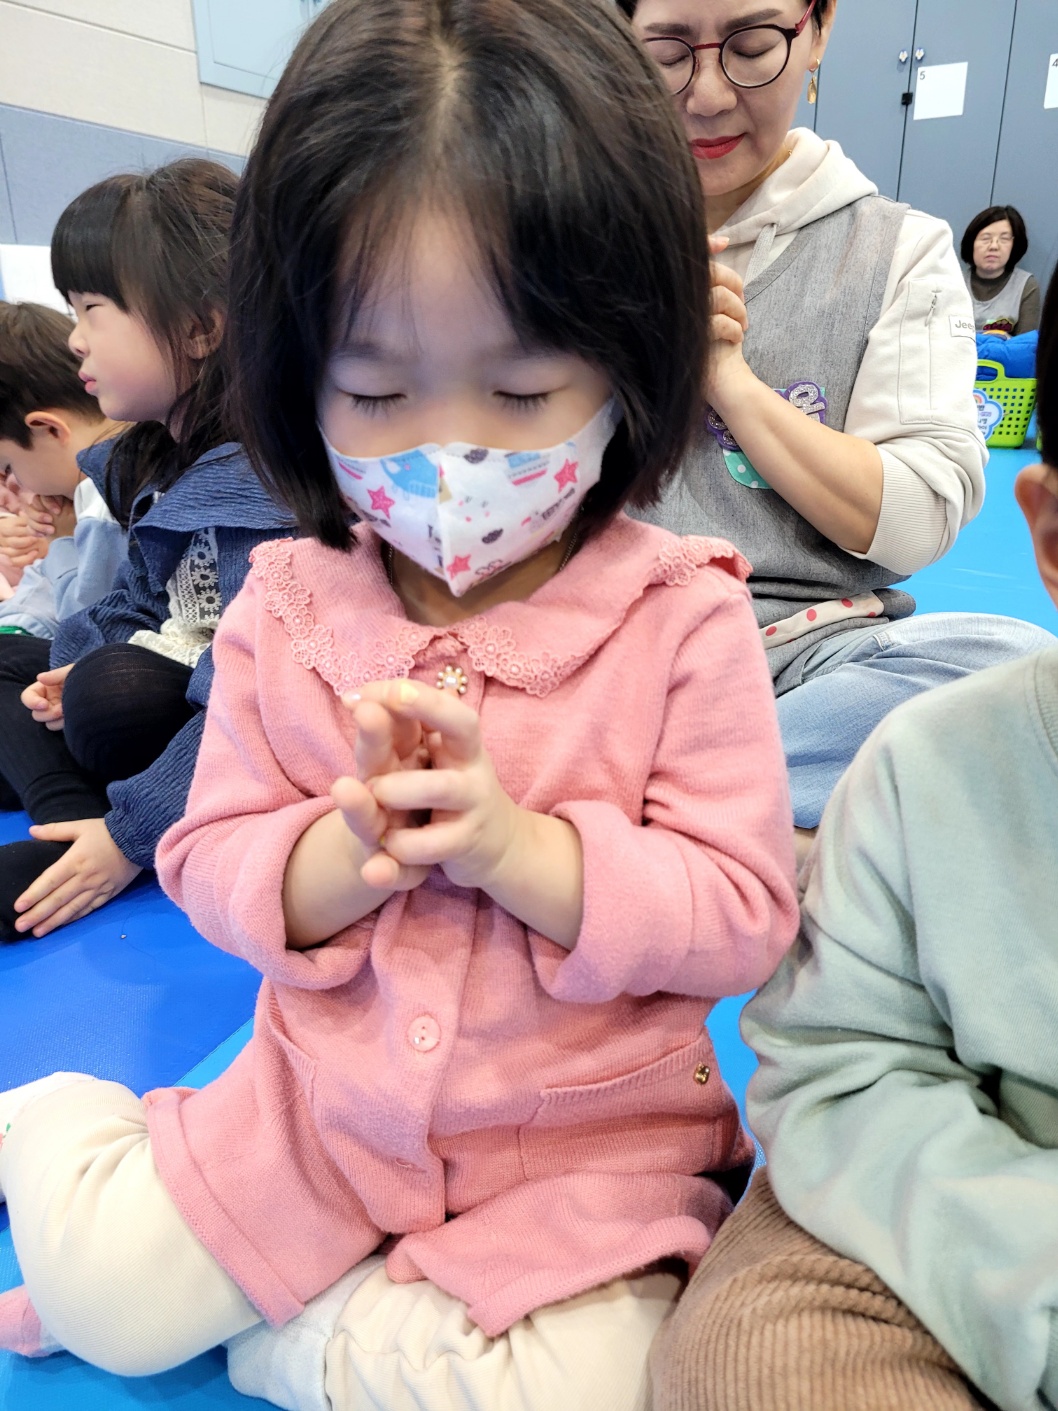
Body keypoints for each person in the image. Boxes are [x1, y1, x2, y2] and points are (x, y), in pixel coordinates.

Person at [0, 0, 799, 1402]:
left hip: (579, 1163)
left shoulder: (683, 612)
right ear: (292, 377)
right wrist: (339, 847)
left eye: (522, 387)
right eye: (373, 392)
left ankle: (271, 1330)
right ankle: (59, 1126)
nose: (449, 454)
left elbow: (742, 909)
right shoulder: (286, 602)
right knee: (113, 1302)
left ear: (634, 356)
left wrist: (519, 851)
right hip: (312, 1120)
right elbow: (207, 854)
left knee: (603, 1385)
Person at [651, 263, 1058, 1411]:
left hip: (833, 645)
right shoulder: (933, 769)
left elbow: (908, 514)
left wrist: (730, 383)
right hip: (962, 1167)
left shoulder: (880, 258)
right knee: (749, 1354)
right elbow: (842, 1066)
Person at [622, 0, 1054, 855]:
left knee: (1012, 668)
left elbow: (919, 515)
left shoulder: (898, 250)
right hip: (598, 644)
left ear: (819, 29)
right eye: (667, 52)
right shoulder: (566, 231)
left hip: (796, 662)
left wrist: (725, 379)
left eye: (752, 45)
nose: (707, 94)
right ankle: (738, 829)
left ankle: (652, 809)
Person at [0, 159, 297, 941]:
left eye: (92, 309)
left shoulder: (267, 485)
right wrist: (68, 667)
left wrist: (126, 837)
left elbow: (258, 692)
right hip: (157, 714)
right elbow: (123, 603)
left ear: (200, 328)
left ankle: (95, 832)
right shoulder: (150, 464)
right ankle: (66, 816)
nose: (74, 337)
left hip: (224, 738)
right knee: (34, 668)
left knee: (113, 690)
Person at [0, 300, 127, 643]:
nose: (16, 483)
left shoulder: (102, 499)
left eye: (9, 467)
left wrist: (62, 542)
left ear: (50, 429)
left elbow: (85, 635)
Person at [962, 204, 1041, 338]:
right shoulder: (953, 282)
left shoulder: (1026, 286)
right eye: (986, 238)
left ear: (1014, 245)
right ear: (972, 243)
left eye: (1004, 239)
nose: (994, 246)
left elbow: (1024, 345)